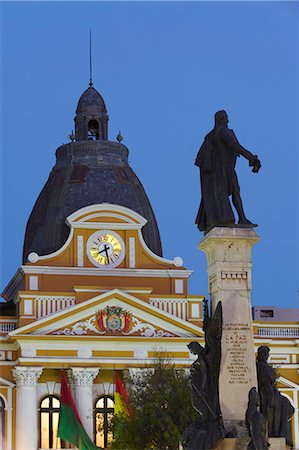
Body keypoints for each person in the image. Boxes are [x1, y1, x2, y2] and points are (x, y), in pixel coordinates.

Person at [195, 110, 261, 232]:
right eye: (226, 118)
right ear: (221, 119)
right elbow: (235, 146)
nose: (228, 121)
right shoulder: (222, 131)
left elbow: (201, 159)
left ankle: (238, 218)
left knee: (230, 192)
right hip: (225, 170)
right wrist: (250, 157)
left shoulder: (210, 135)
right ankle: (241, 218)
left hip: (217, 173)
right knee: (236, 191)